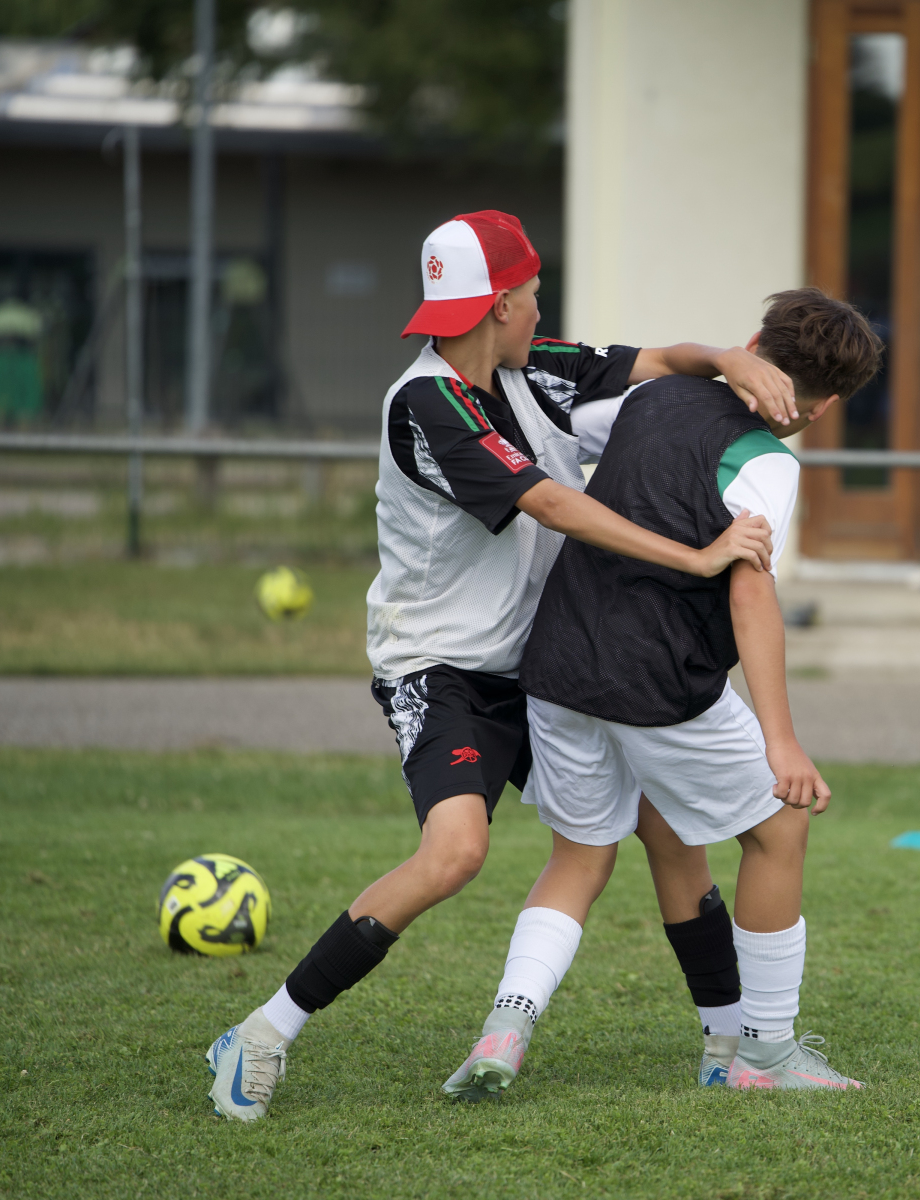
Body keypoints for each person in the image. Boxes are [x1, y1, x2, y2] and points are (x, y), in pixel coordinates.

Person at [206, 210, 802, 1122]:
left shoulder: (535, 367)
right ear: (498, 306)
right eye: (530, 294)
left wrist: (727, 357)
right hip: (441, 670)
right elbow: (551, 503)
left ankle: (728, 1048)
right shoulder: (427, 402)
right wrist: (695, 557)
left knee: (667, 830)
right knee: (455, 854)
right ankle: (262, 1033)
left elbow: (655, 361)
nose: (539, 308)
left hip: (547, 664)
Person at [442, 288, 884, 1097]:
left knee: (579, 856)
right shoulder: (767, 460)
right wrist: (781, 741)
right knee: (780, 825)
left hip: (559, 661)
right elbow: (750, 591)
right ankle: (765, 1058)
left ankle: (504, 1030)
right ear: (823, 408)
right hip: (655, 677)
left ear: (753, 344)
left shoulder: (650, 396)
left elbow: (563, 437)